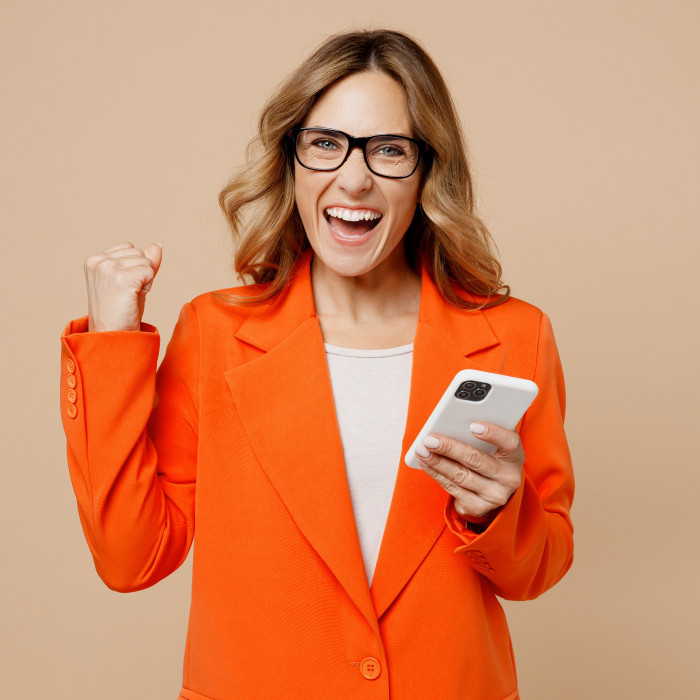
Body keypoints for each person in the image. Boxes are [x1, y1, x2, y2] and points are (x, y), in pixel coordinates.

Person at [60, 29, 574, 700]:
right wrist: (111, 339)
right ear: (292, 161)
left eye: (390, 150)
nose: (353, 177)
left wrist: (495, 512)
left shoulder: (514, 335)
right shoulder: (215, 333)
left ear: (427, 172)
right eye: (326, 143)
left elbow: (538, 570)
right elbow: (131, 558)